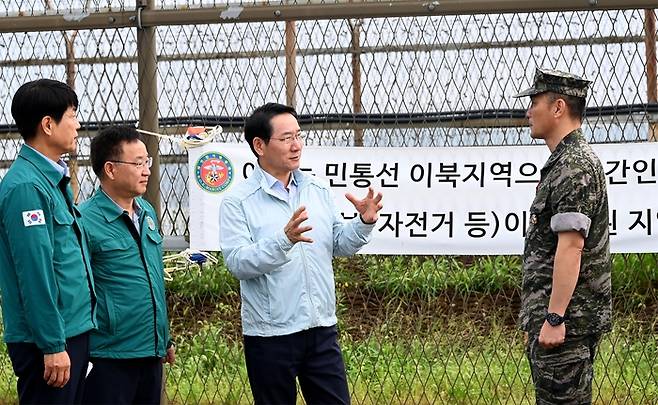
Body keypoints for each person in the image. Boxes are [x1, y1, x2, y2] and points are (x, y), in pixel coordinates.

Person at [220, 102, 383, 405]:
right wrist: (284, 240)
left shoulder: (317, 189)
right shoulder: (238, 201)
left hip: (320, 327)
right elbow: (238, 262)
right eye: (286, 138)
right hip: (270, 335)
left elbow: (339, 244)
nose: (296, 145)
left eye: (299, 135)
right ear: (259, 145)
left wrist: (363, 223)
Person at [514, 68, 612, 404]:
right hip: (564, 323)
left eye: (534, 102)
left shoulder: (574, 166)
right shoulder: (565, 162)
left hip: (565, 326)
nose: (528, 111)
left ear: (558, 107)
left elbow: (571, 247)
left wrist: (554, 317)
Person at [0, 79, 96, 404]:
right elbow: (35, 272)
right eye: (72, 115)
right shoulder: (26, 188)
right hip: (50, 342)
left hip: (71, 331)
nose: (78, 124)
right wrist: (53, 344)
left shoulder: (51, 180)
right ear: (48, 124)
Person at [80, 126, 174, 404]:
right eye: (138, 163)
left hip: (151, 351)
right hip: (110, 355)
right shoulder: (85, 221)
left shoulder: (146, 212)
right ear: (110, 169)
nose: (146, 170)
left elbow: (154, 278)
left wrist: (163, 337)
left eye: (148, 162)